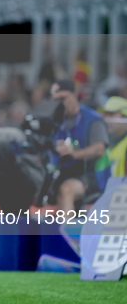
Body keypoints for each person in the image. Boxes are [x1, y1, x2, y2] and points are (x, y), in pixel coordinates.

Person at [50, 79, 110, 214]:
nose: (60, 104)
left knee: (66, 189)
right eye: (56, 100)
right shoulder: (55, 120)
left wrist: (73, 153)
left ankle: (65, 234)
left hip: (89, 175)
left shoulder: (93, 119)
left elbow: (99, 149)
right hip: (61, 172)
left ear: (75, 95)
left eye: (63, 98)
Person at [101, 96, 127, 176]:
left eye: (111, 114)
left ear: (125, 116)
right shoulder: (105, 140)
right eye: (105, 114)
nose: (106, 119)